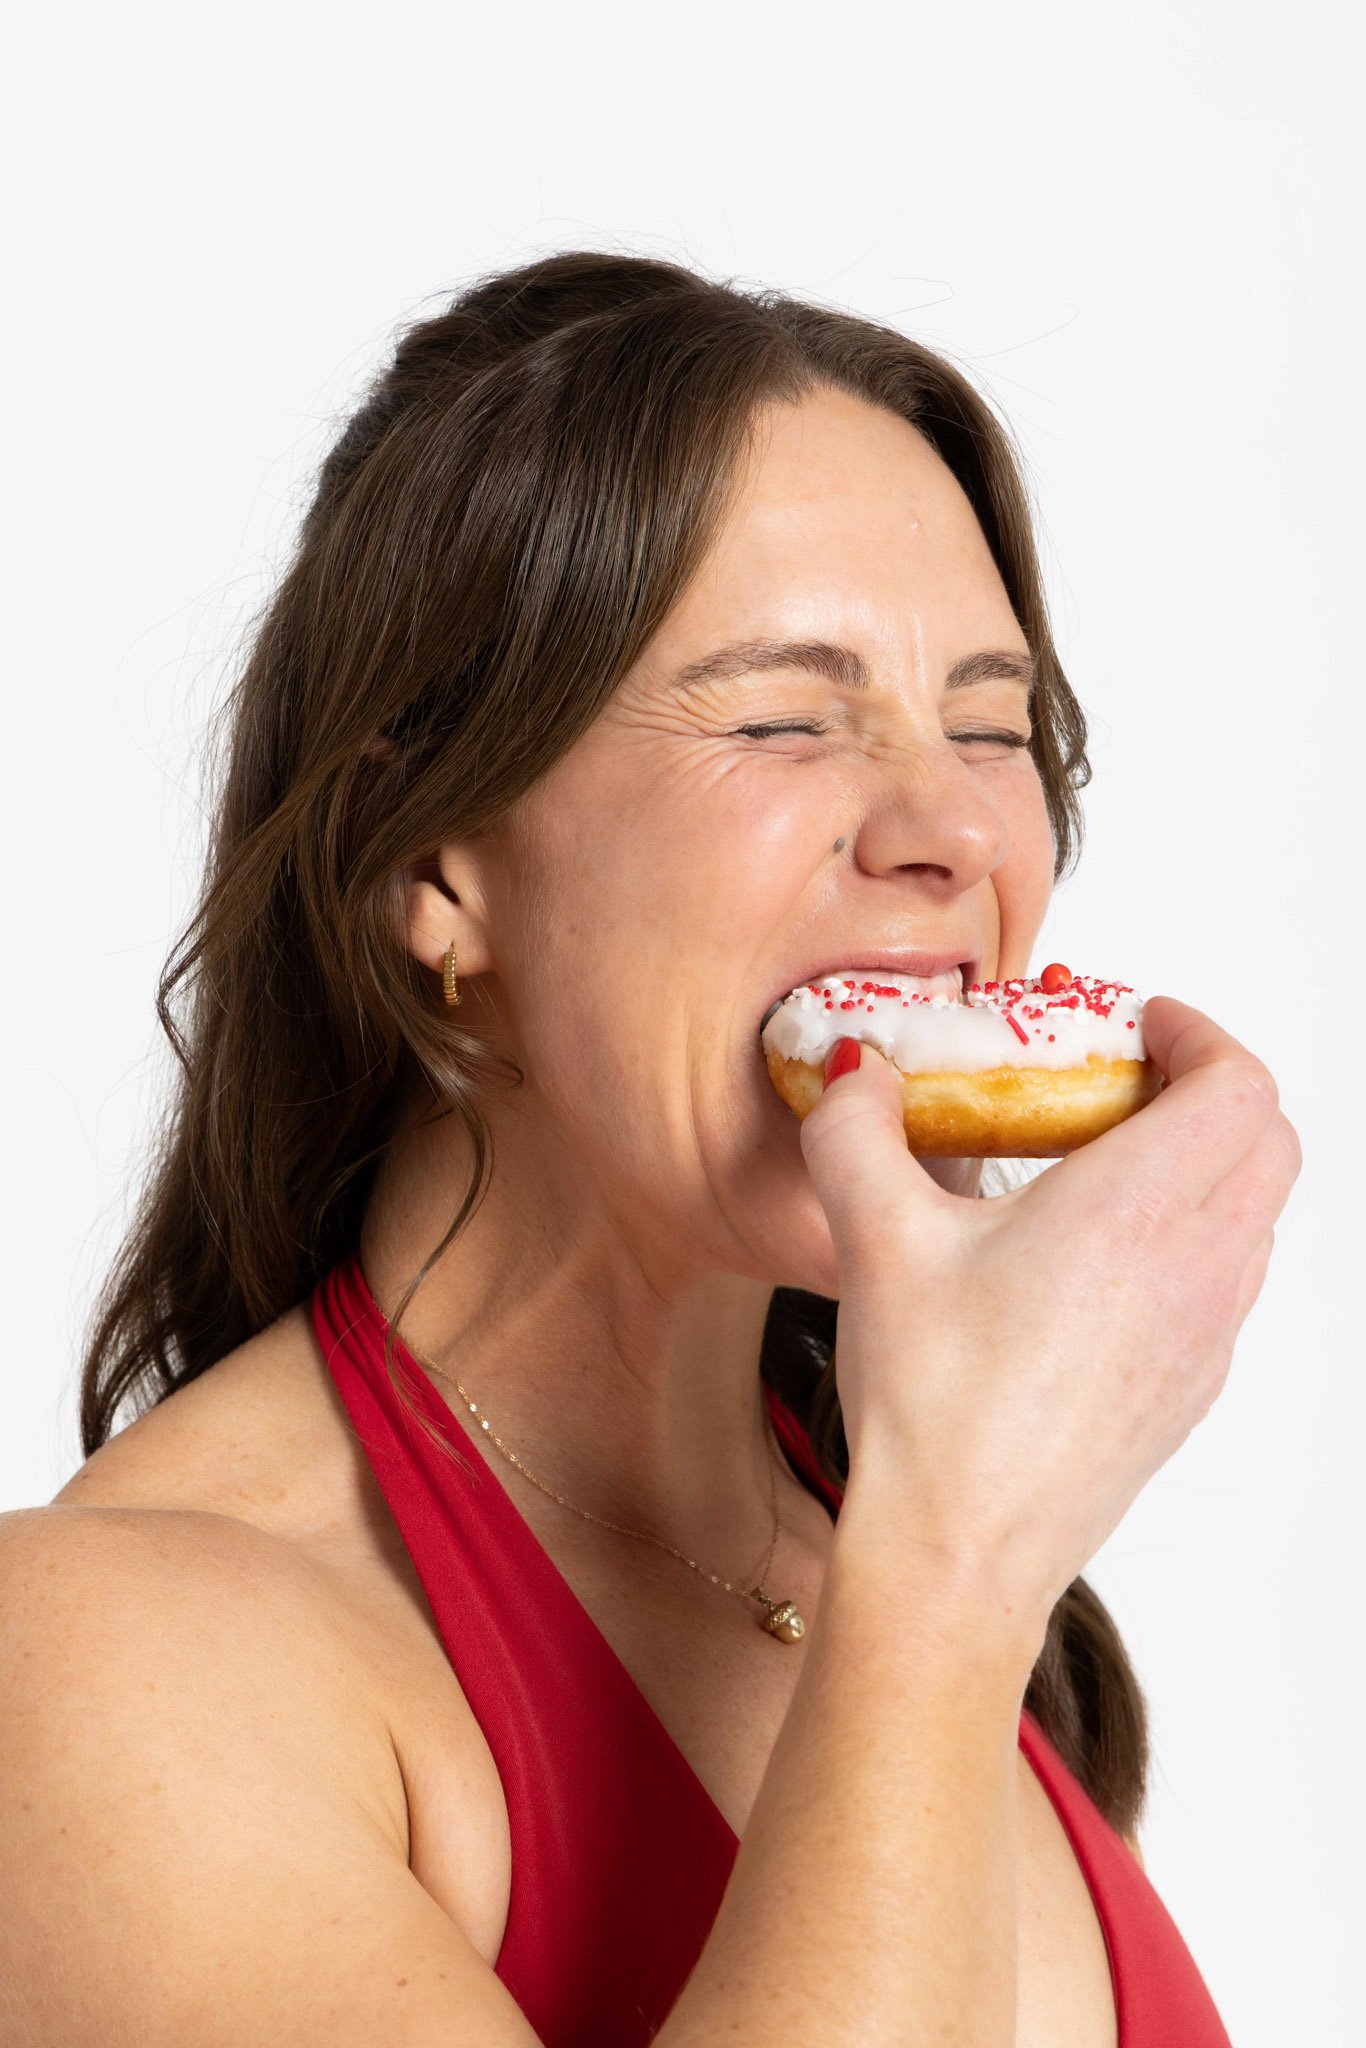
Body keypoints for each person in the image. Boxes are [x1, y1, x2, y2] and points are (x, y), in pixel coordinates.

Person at [0, 253, 1299, 2047]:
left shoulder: (900, 1563)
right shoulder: (93, 1669)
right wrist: (951, 1563)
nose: (947, 828)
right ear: (432, 863)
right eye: (782, 714)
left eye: (991, 728)